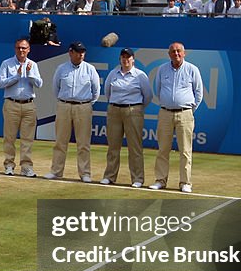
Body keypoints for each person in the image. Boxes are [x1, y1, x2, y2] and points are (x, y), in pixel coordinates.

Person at [150, 42, 203, 193]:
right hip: (165, 113)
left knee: (185, 151)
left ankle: (185, 182)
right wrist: (168, 103)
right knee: (163, 149)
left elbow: (199, 94)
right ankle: (160, 180)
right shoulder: (162, 69)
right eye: (173, 51)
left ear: (184, 53)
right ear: (169, 54)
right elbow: (158, 90)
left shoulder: (192, 69)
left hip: (185, 113)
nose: (176, 54)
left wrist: (189, 110)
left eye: (179, 51)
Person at [44, 42, 100, 182]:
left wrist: (86, 104)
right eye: (78, 51)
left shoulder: (90, 69)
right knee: (60, 141)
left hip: (83, 107)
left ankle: (85, 173)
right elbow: (55, 88)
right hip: (64, 106)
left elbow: (96, 91)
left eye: (82, 52)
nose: (81, 54)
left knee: (83, 143)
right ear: (70, 52)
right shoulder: (61, 69)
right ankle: (56, 171)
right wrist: (65, 102)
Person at [101, 48, 151, 187]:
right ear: (120, 59)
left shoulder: (140, 75)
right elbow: (107, 92)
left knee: (134, 147)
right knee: (113, 146)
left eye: (128, 57)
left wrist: (136, 107)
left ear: (133, 59)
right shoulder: (113, 74)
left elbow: (147, 96)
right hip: (114, 110)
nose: (125, 59)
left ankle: (137, 179)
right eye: (123, 57)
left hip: (133, 110)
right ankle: (110, 176)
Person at [0, 37, 43, 176]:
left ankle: (26, 167)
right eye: (19, 48)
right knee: (9, 137)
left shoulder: (33, 65)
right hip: (11, 103)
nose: (21, 50)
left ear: (28, 50)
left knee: (27, 139)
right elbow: (0, 84)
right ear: (15, 49)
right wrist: (16, 76)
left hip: (29, 105)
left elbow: (39, 83)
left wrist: (29, 74)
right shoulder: (7, 63)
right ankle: (9, 165)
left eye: (24, 48)